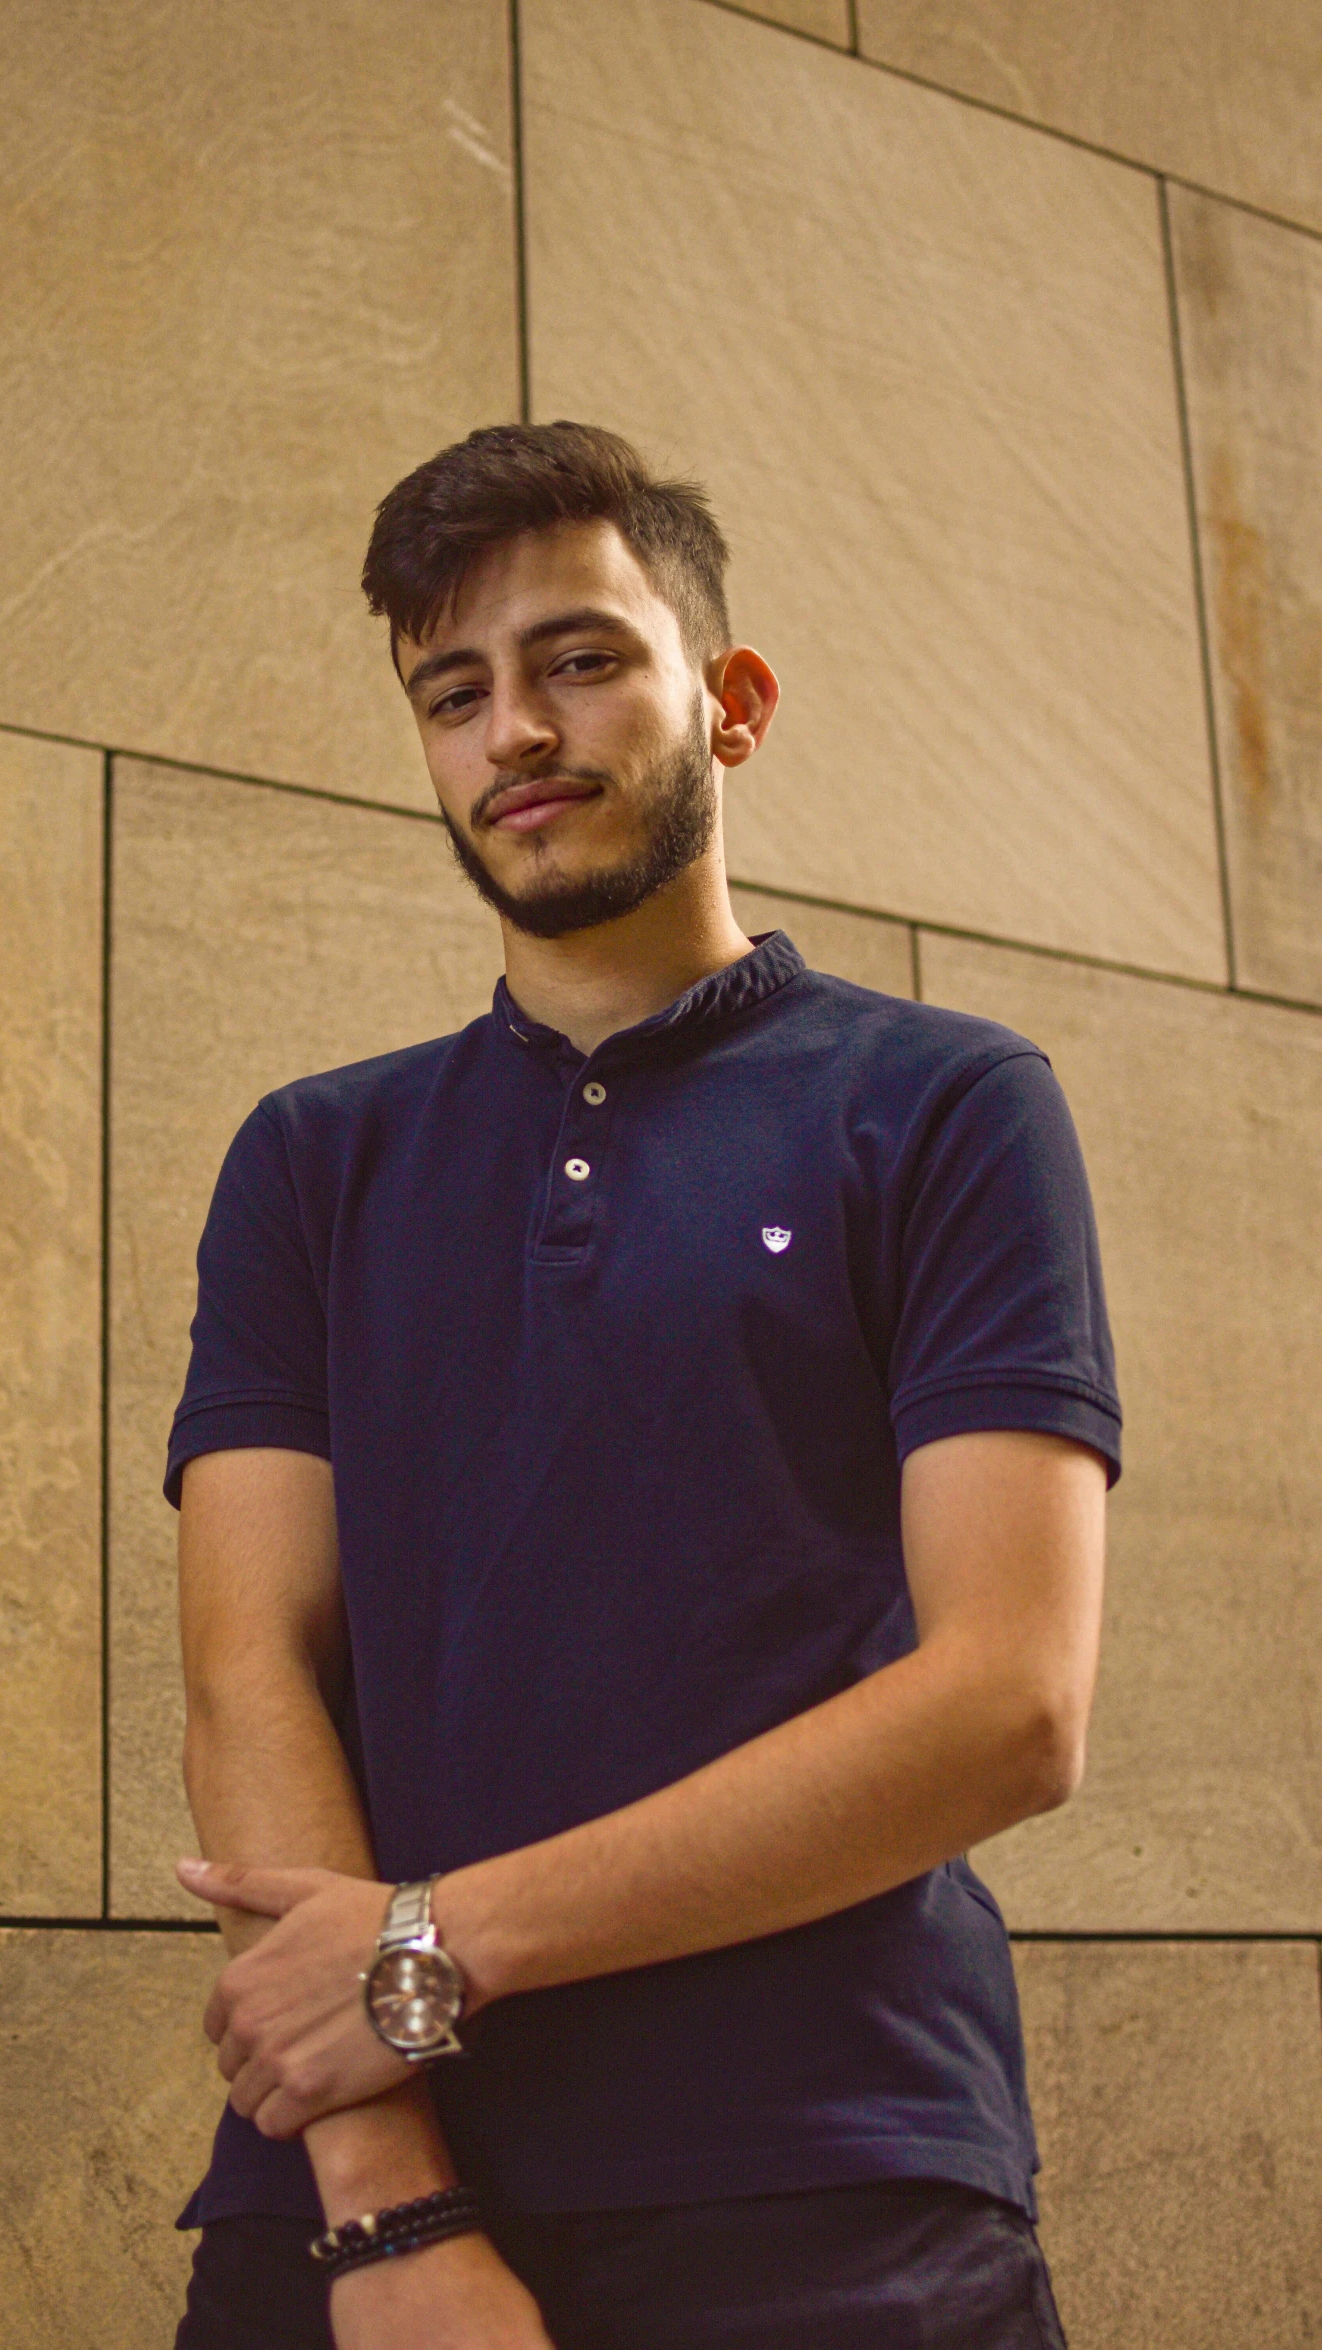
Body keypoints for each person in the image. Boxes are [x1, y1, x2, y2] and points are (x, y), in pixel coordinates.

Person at [166, 422, 1119, 2349]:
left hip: (830, 2183)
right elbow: (242, 1666)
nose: (514, 728)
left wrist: (424, 1950)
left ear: (729, 702)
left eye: (579, 659)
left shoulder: (942, 1105)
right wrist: (388, 2201)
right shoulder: (310, 1159)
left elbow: (1009, 1703)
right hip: (350, 2202)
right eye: (455, 691)